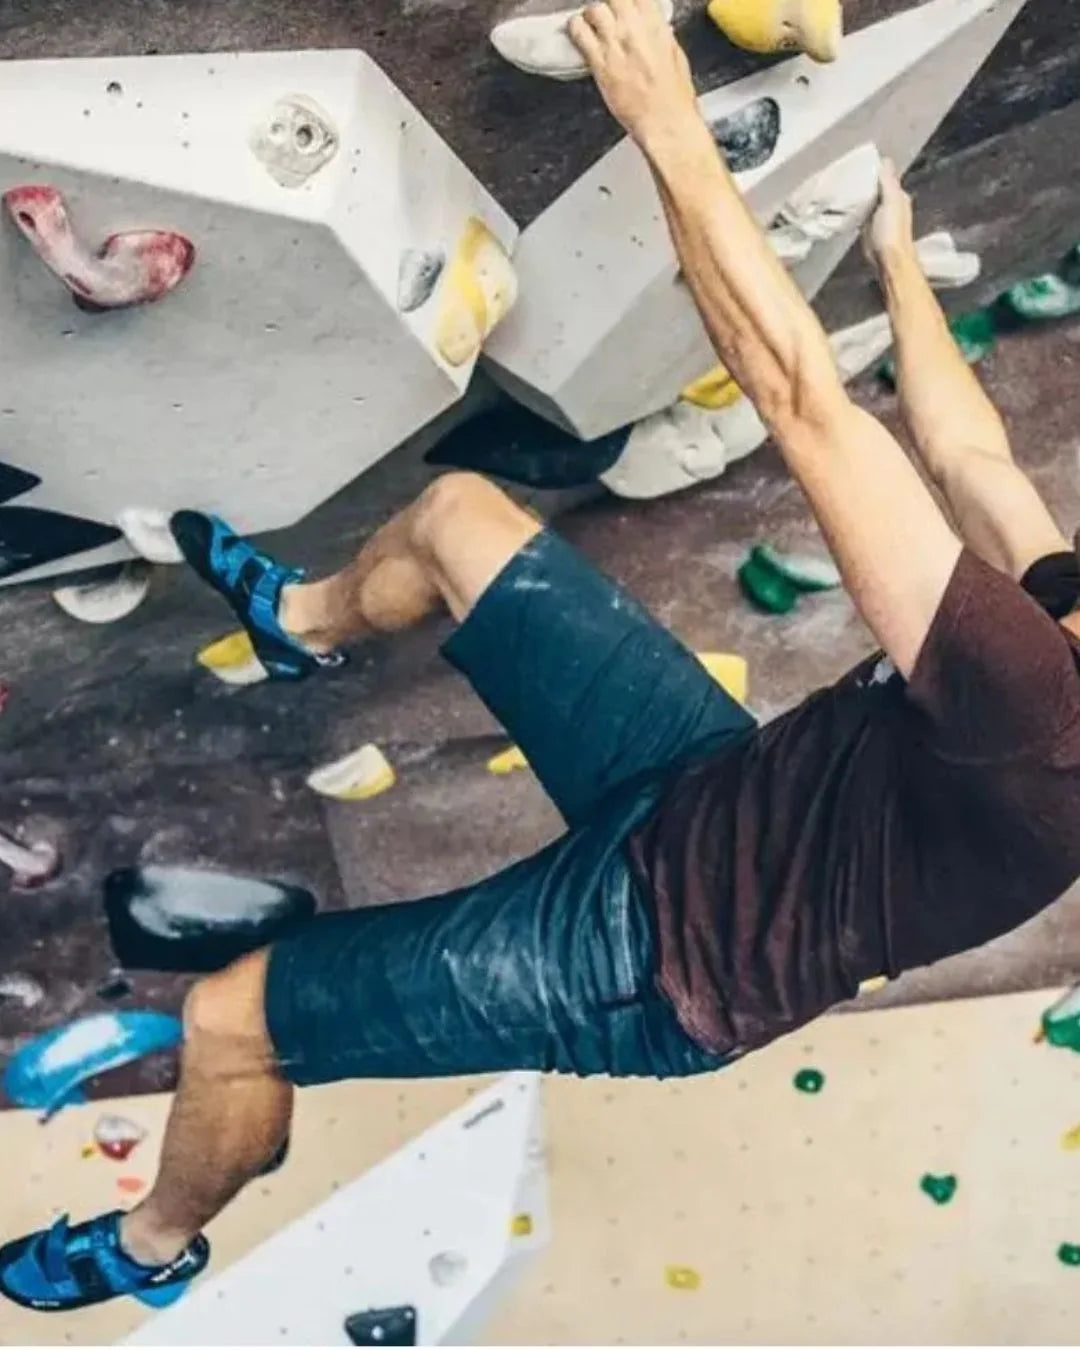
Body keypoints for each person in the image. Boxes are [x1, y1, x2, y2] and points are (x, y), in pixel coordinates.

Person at [4, 0, 1079, 1312]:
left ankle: (152, 1241)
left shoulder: (1039, 706)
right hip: (711, 788)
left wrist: (663, 118)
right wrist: (899, 260)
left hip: (657, 955)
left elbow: (801, 398)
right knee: (460, 521)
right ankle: (303, 625)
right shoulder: (1063, 629)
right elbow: (975, 461)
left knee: (234, 1019)